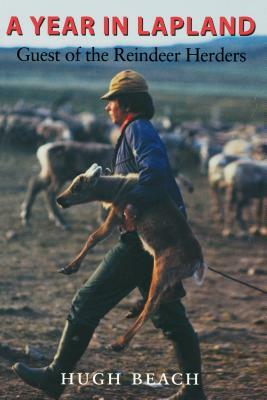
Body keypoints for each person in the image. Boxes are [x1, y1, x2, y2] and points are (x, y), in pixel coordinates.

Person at [12, 70, 207, 400]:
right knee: (171, 317)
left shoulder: (138, 130)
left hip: (142, 238)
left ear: (126, 103)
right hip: (156, 239)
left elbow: (156, 172)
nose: (107, 108)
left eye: (111, 101)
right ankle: (194, 390)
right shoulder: (135, 131)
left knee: (86, 303)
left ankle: (55, 378)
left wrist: (135, 202)